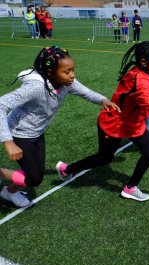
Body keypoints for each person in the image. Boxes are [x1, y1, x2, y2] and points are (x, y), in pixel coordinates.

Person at [56, 42, 149, 202]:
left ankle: (130, 188)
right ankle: (67, 169)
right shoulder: (141, 80)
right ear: (143, 62)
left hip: (133, 123)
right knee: (104, 158)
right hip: (113, 124)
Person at [0, 46, 119, 207]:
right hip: (18, 134)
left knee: (35, 174)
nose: (72, 75)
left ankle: (8, 192)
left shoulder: (66, 83)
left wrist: (103, 100)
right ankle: (7, 184)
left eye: (72, 69)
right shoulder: (35, 87)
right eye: (67, 71)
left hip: (37, 133)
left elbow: (86, 92)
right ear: (50, 73)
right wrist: (8, 141)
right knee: (34, 178)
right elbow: (2, 104)